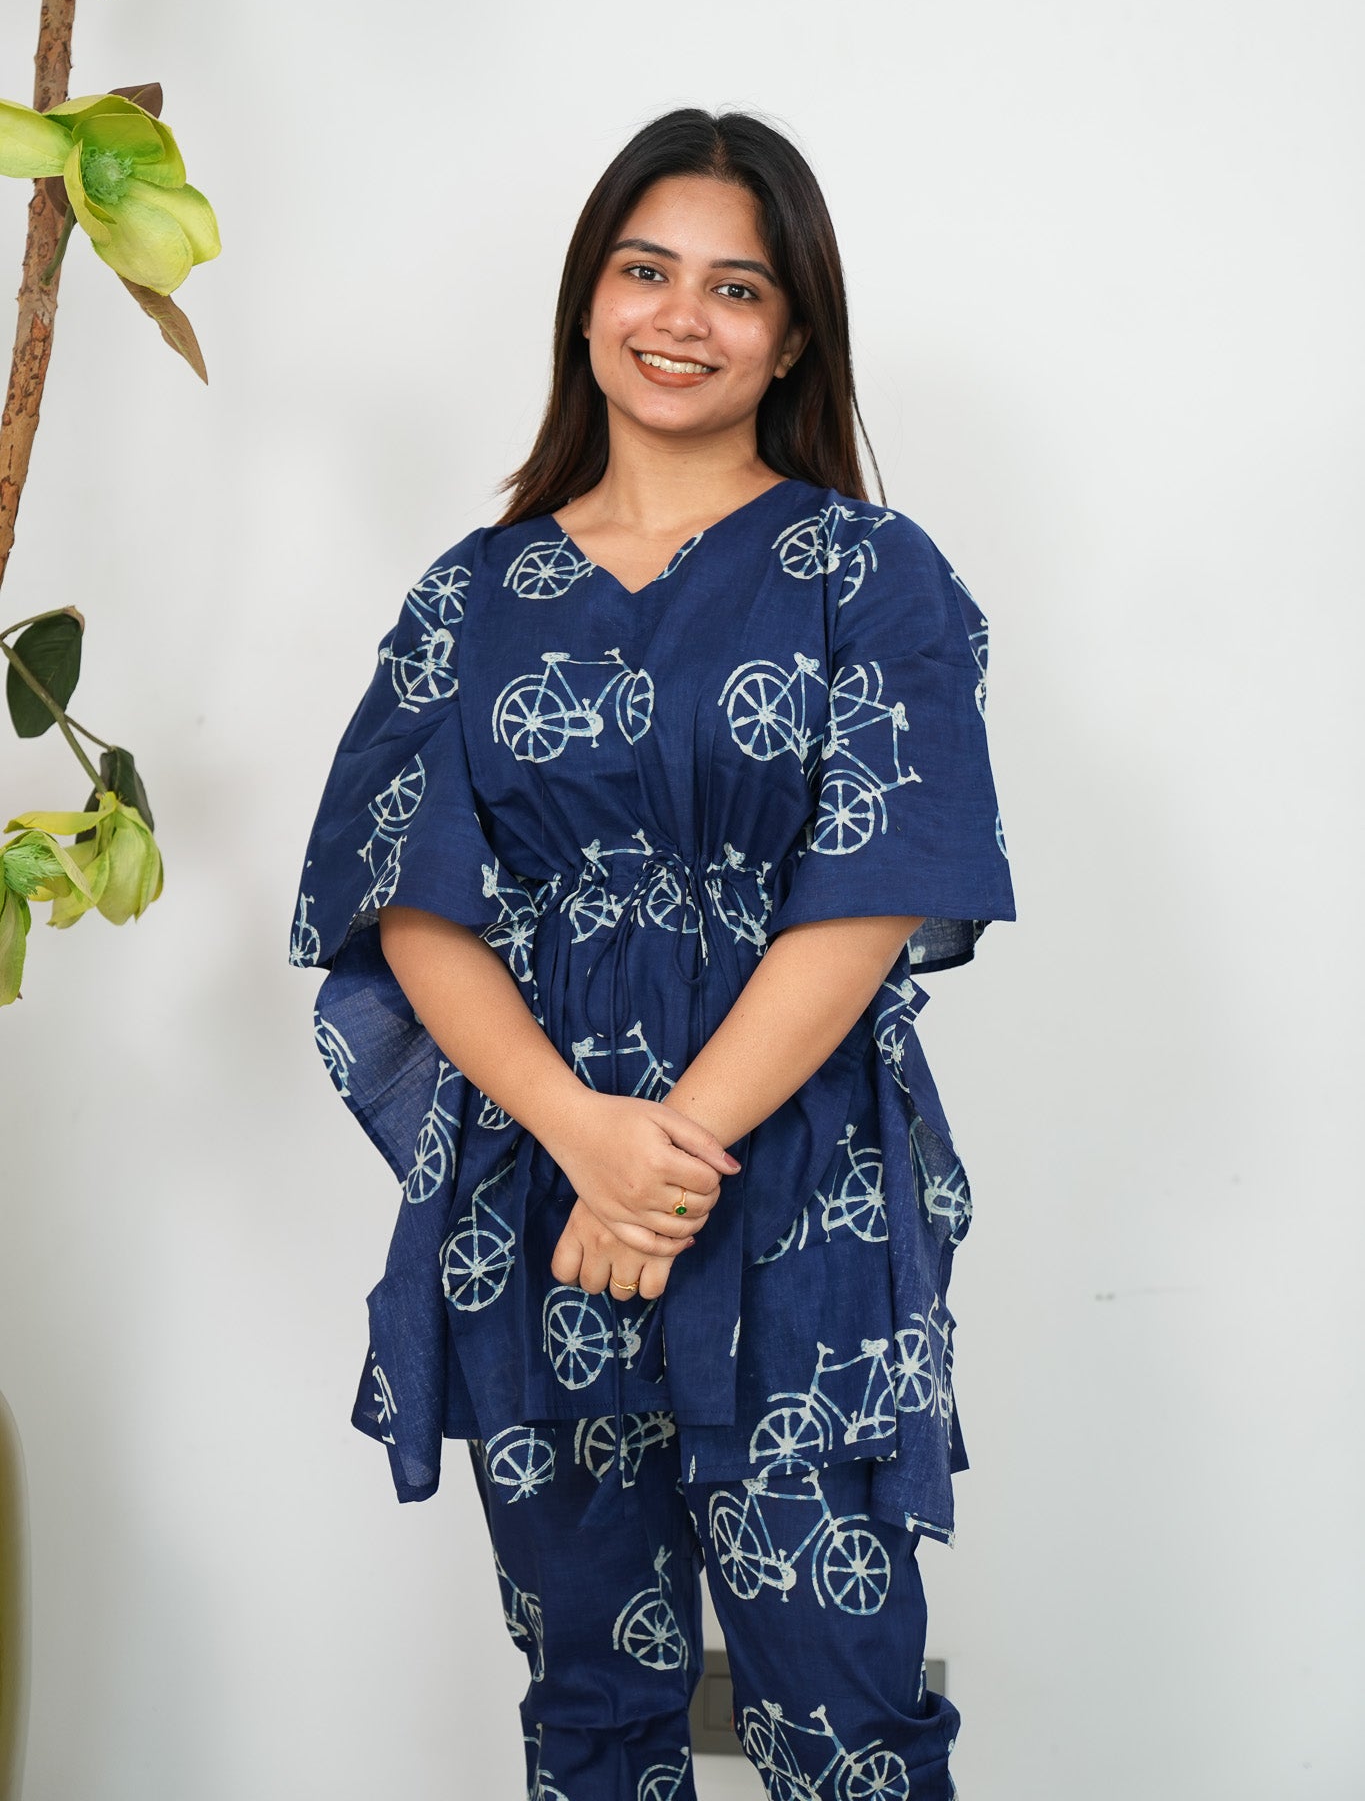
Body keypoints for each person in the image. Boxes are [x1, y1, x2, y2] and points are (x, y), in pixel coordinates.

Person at [289, 107, 1014, 1801]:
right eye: (644, 271)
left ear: (793, 336)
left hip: (797, 1190)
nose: (681, 317)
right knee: (593, 1709)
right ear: (587, 300)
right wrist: (584, 1142)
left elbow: (875, 886)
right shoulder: (471, 594)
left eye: (735, 288)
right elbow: (412, 896)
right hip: (540, 1188)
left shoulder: (868, 573)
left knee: (841, 1714)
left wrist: (662, 1160)